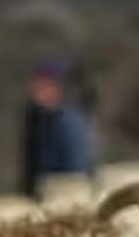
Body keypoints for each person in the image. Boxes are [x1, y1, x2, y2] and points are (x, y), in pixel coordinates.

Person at [19, 62, 99, 194]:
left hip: (64, 193)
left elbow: (77, 169)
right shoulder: (40, 118)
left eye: (44, 85)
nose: (35, 90)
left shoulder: (68, 121)